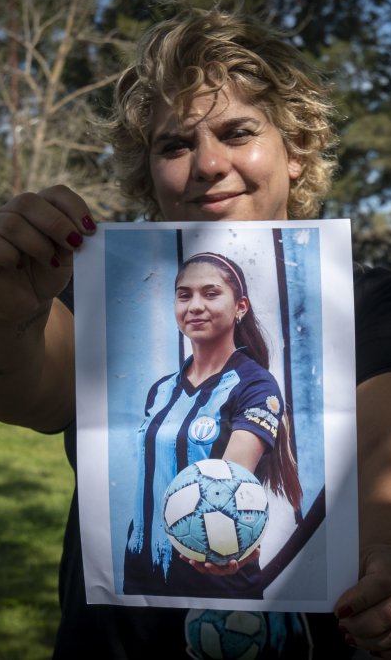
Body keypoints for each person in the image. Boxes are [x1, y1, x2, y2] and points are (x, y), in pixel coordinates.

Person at [0, 0, 391, 660]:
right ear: (148, 172)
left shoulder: (379, 303)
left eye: (238, 133)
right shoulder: (105, 299)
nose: (209, 163)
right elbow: (15, 382)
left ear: (296, 151)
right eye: (176, 144)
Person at [122, 251, 303, 599]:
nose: (195, 306)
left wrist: (226, 546)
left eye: (210, 293)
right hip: (141, 574)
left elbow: (229, 487)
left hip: (212, 575)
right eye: (184, 295)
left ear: (240, 307)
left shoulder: (255, 386)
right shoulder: (161, 390)